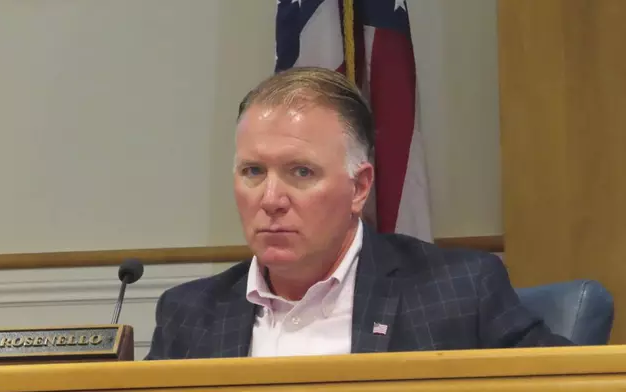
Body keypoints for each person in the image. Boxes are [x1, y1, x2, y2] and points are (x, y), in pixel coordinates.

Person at [145, 67, 572, 360]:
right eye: (253, 171)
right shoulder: (189, 314)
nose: (271, 198)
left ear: (359, 187)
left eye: (301, 172)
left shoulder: (458, 292)